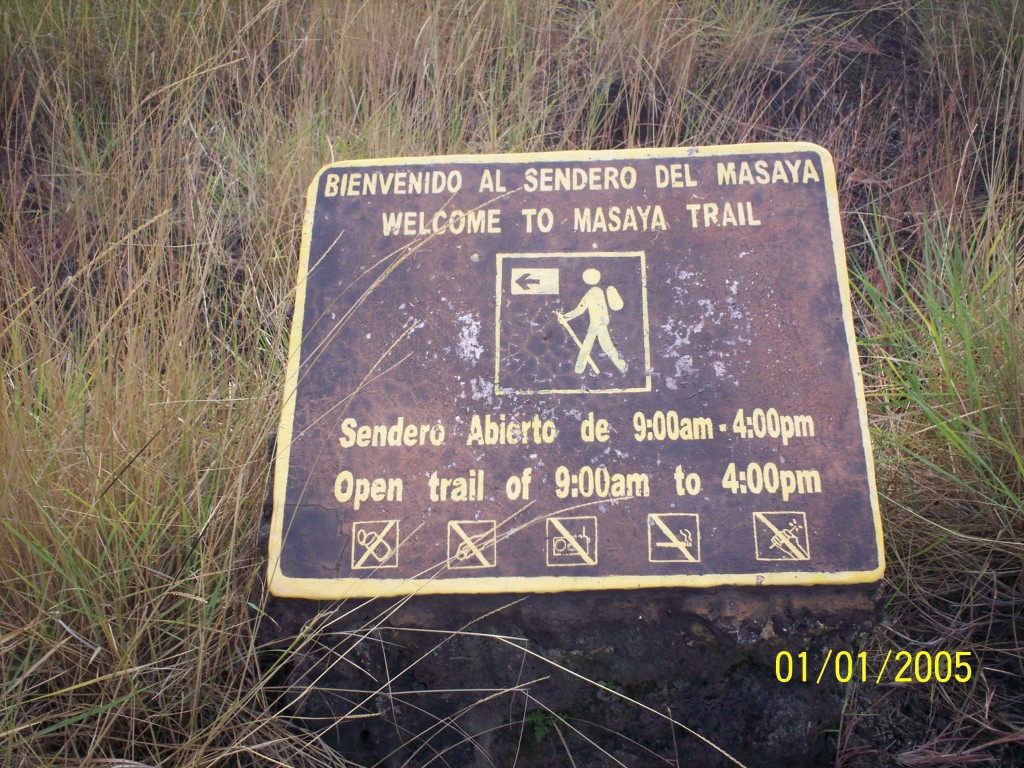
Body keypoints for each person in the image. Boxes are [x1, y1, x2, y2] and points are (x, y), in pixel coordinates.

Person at [557, 268, 627, 374]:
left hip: (596, 324)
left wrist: (565, 317)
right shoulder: (603, 290)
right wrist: (566, 317)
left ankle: (580, 368)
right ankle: (580, 367)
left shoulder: (592, 293)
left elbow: (580, 309)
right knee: (599, 346)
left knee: (596, 346)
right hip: (601, 323)